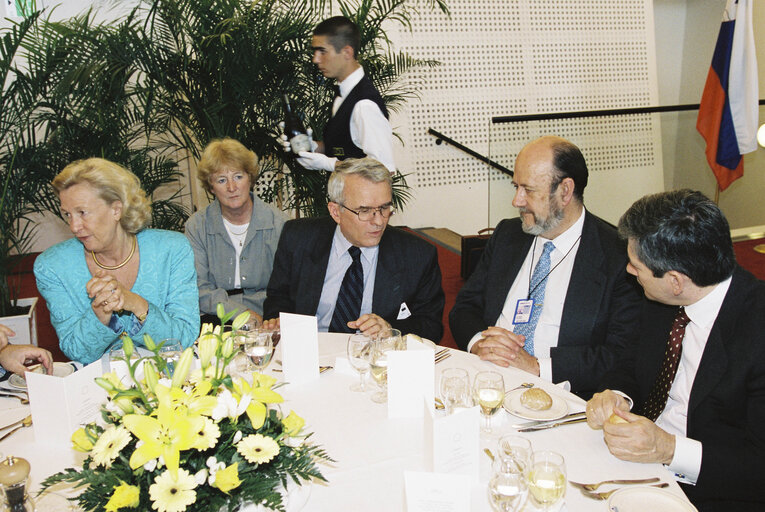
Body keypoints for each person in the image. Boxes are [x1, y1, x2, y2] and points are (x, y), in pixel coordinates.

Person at [585, 189, 765, 510]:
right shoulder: (664, 298)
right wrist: (617, 393)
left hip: (709, 488)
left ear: (675, 280)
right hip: (635, 460)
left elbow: (757, 465)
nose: (628, 271)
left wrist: (669, 449)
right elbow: (632, 359)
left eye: (636, 265)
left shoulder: (756, 333)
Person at [449, 136, 641, 396]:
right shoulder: (508, 235)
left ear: (565, 191)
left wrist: (538, 367)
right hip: (486, 379)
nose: (516, 201)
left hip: (559, 395)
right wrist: (479, 344)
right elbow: (465, 307)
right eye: (516, 186)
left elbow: (619, 353)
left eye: (528, 190)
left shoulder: (617, 256)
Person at [34, 158, 200, 364]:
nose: (74, 226)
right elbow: (76, 352)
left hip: (170, 380)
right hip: (98, 388)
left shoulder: (171, 249)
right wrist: (100, 314)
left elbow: (185, 337)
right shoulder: (52, 266)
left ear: (116, 209)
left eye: (82, 212)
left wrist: (136, 304)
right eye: (67, 214)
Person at [263, 157, 444, 341]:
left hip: (375, 358)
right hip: (311, 350)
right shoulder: (298, 238)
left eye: (384, 207)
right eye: (364, 211)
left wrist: (391, 329)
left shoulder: (417, 254)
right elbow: (278, 297)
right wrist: (278, 322)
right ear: (336, 212)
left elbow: (431, 327)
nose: (378, 221)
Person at [185, 138, 287, 326]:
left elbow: (288, 286)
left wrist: (272, 319)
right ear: (211, 186)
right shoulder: (197, 226)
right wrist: (240, 313)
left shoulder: (279, 223)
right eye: (222, 180)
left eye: (238, 177)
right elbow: (197, 287)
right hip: (217, 316)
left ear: (250, 178)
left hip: (270, 317)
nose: (231, 187)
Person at [286, 16, 395, 174]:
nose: (315, 59)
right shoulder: (344, 94)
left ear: (347, 52)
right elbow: (346, 149)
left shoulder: (364, 104)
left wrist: (330, 164)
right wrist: (313, 146)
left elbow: (383, 169)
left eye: (322, 51)